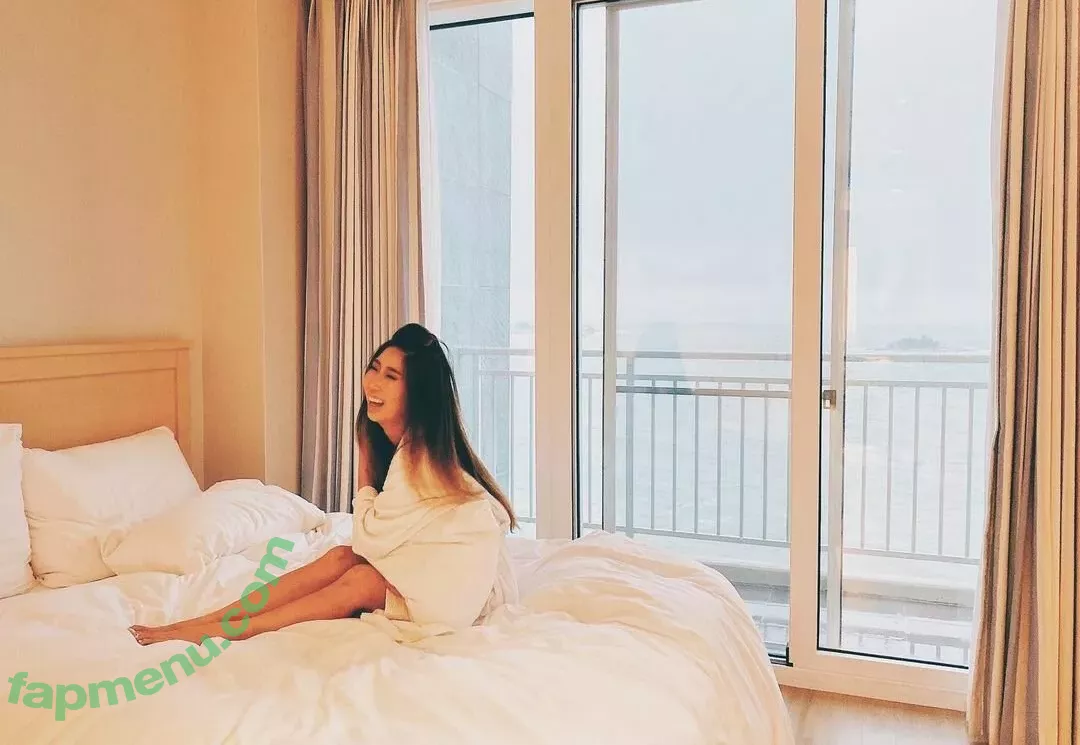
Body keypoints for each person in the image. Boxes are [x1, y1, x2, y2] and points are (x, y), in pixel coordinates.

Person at [129, 323, 518, 646]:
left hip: (450, 597)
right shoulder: (419, 446)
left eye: (391, 377)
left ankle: (221, 630)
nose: (374, 383)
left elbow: (368, 539)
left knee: (360, 578)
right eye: (375, 368)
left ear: (416, 393)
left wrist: (364, 455)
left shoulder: (418, 460)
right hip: (448, 573)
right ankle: (212, 619)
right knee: (340, 558)